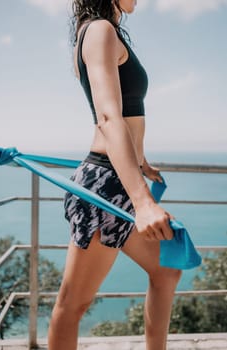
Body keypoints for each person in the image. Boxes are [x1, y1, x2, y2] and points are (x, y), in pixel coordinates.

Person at [48, 1, 182, 349]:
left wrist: (140, 161)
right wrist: (143, 203)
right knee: (72, 305)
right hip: (106, 186)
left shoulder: (105, 31)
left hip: (122, 177)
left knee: (166, 270)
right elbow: (108, 118)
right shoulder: (98, 30)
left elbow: (127, 112)